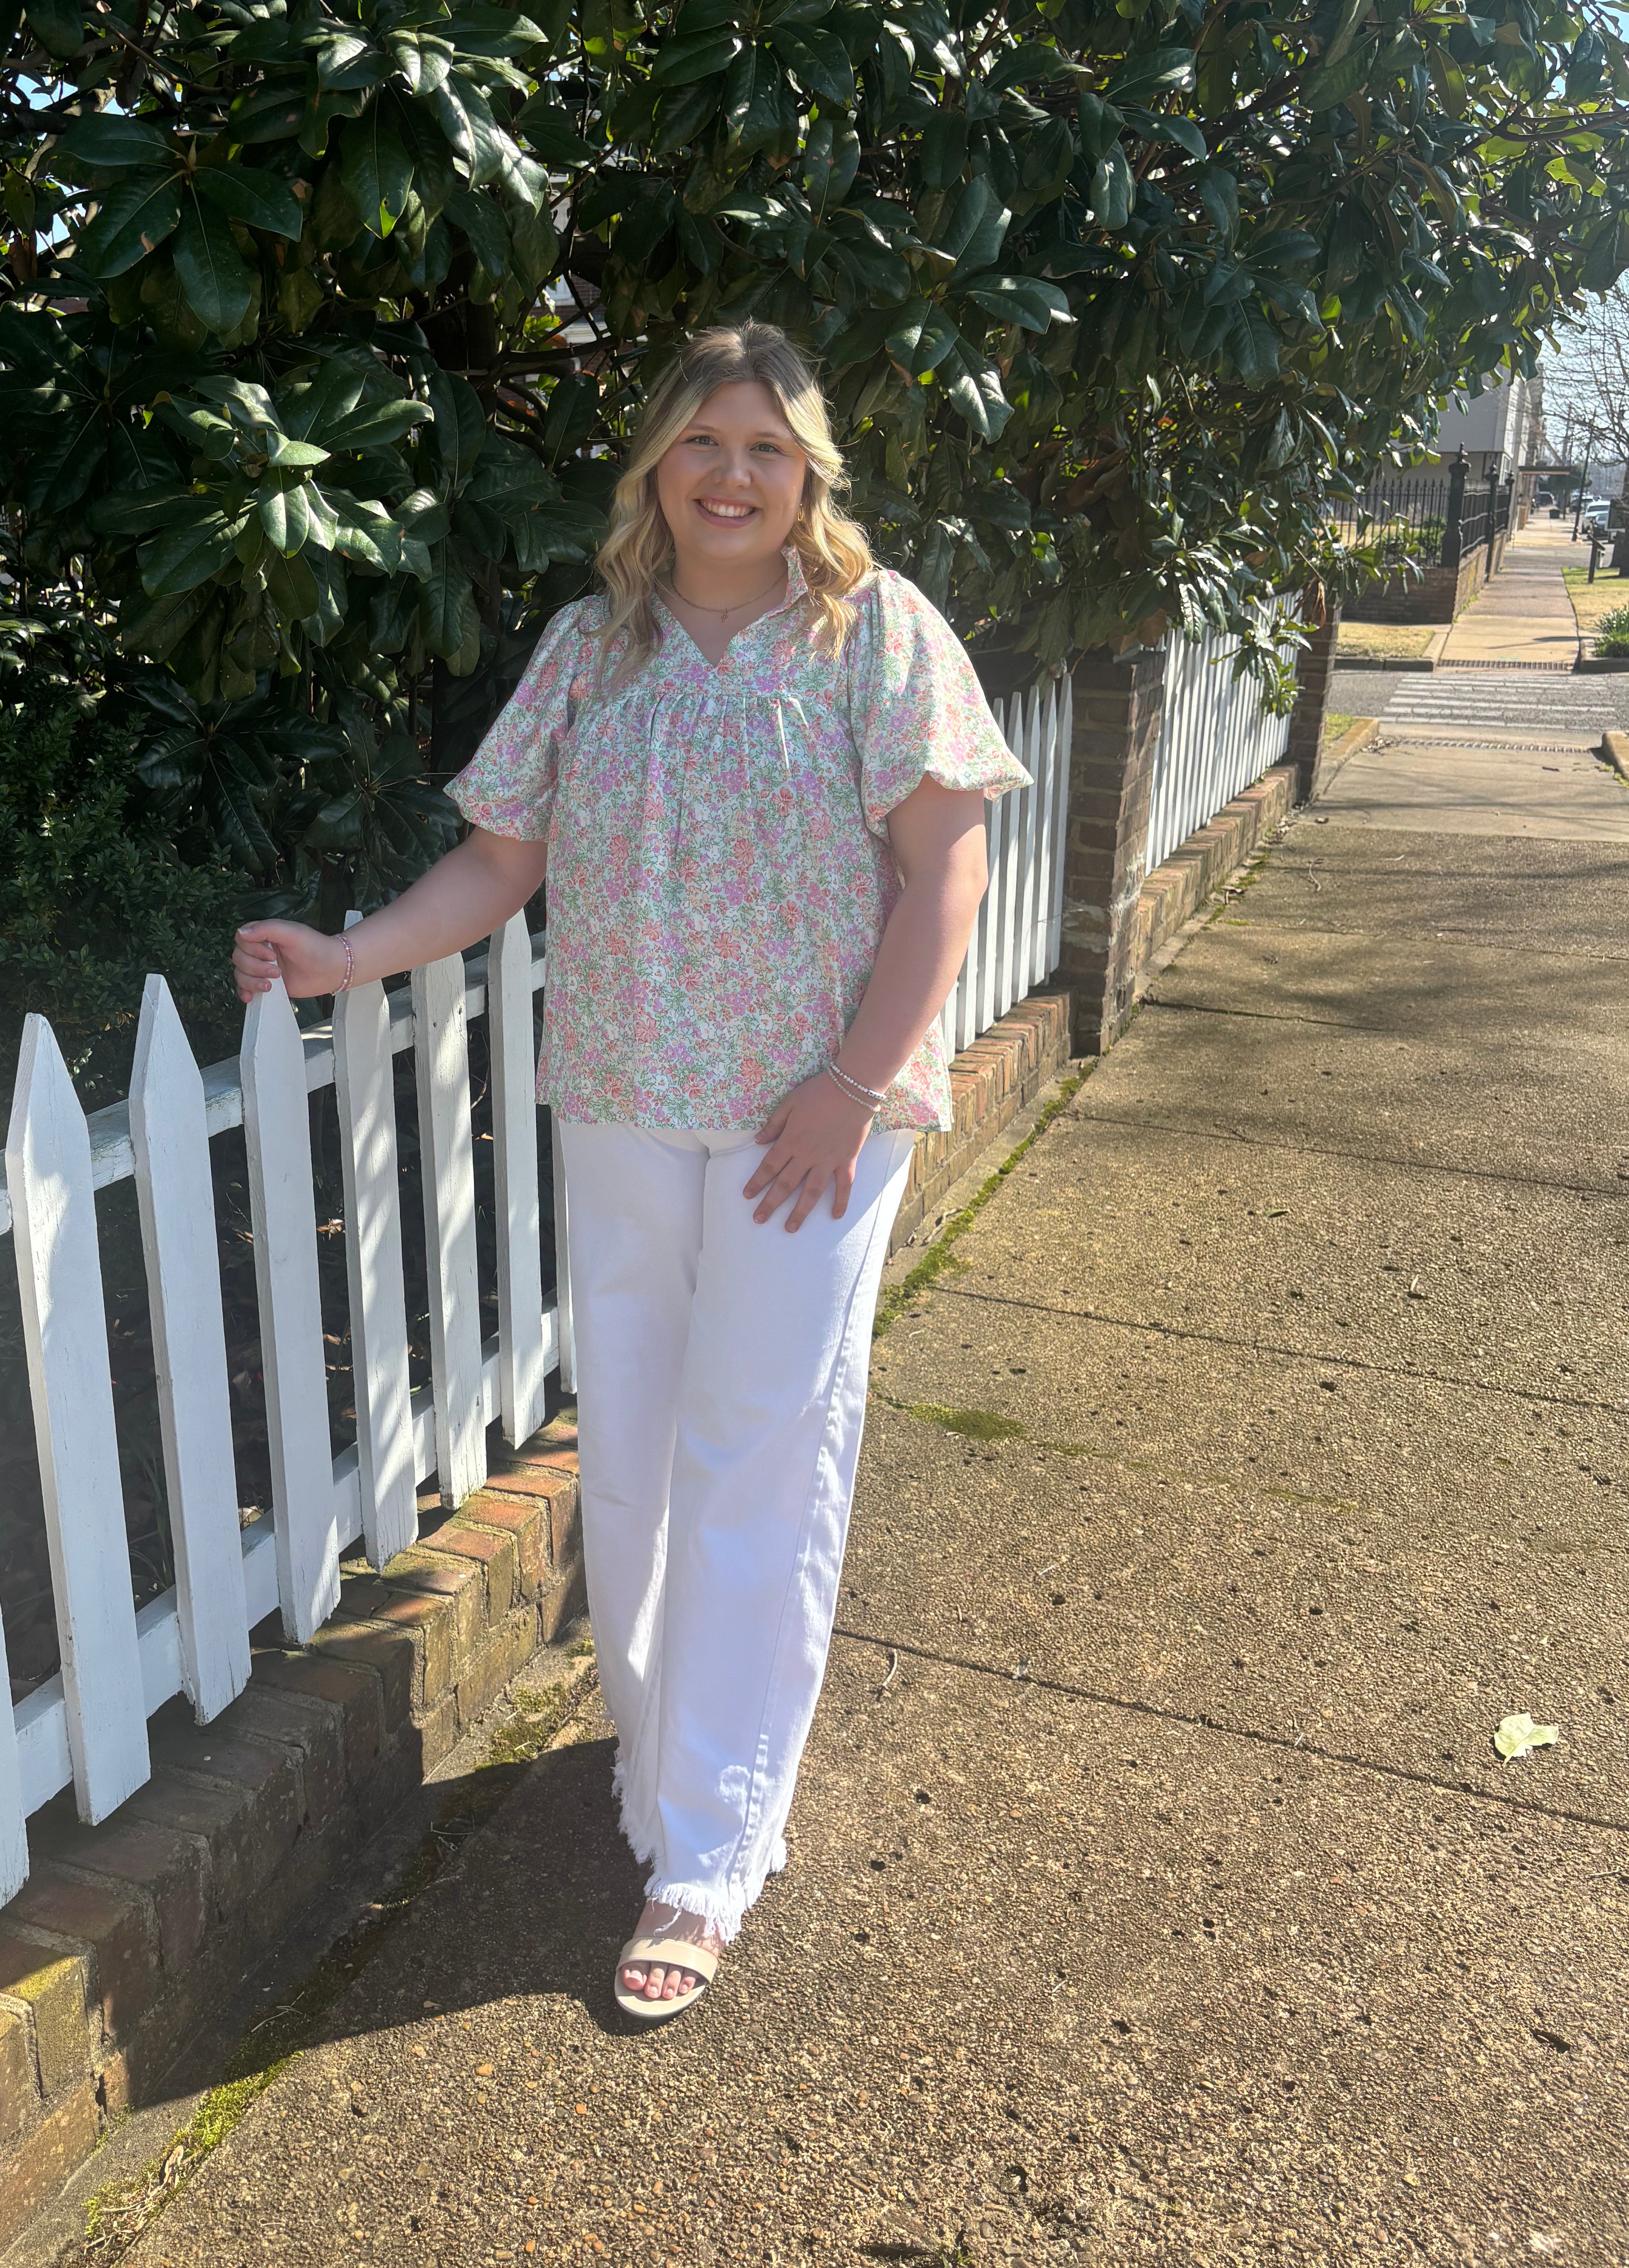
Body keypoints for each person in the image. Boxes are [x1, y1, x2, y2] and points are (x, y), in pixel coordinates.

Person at [232, 324, 1029, 2020]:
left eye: (765, 446)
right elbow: (501, 860)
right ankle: (664, 1773)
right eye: (702, 445)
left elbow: (948, 872)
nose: (733, 476)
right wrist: (345, 955)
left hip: (811, 1127)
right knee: (641, 1461)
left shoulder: (874, 632)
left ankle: (718, 1847)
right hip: (620, 1101)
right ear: (655, 468)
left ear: (807, 468)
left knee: (761, 1456)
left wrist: (850, 1081)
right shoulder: (591, 649)